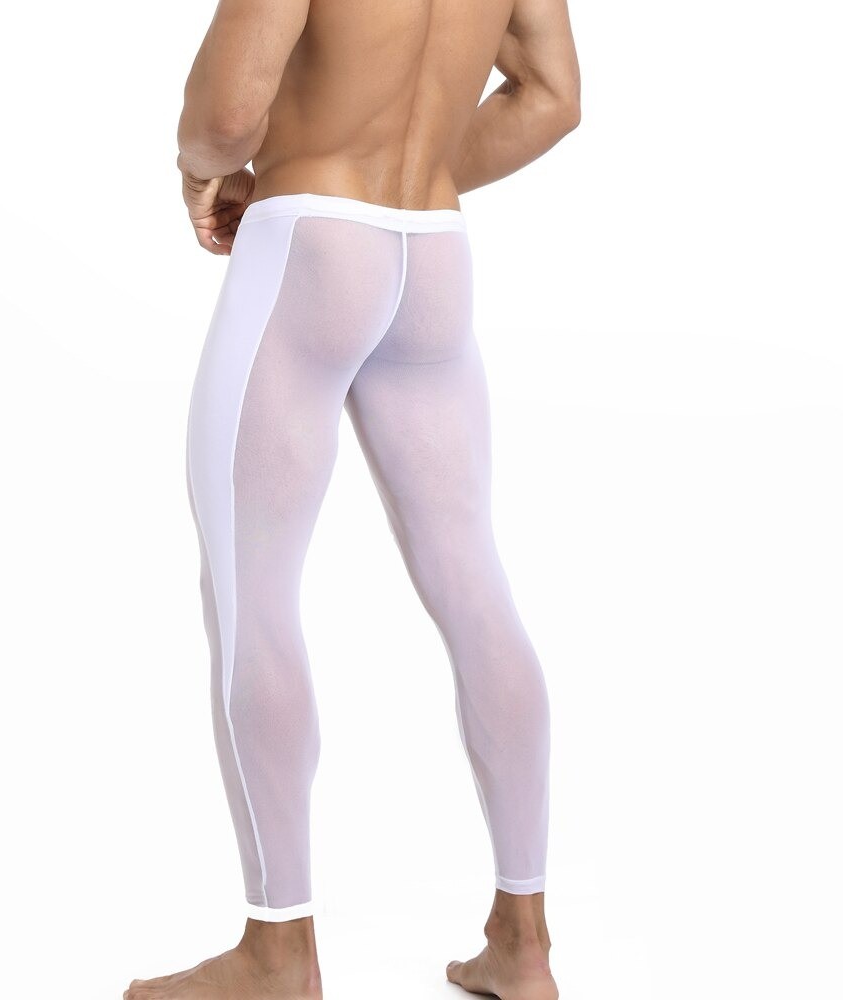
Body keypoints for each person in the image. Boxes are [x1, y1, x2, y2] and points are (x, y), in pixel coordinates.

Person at [125, 0, 580, 996]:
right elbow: (551, 97)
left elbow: (226, 114)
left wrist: (205, 174)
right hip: (433, 250)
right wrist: (411, 165)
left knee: (251, 592)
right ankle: (523, 939)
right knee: (474, 584)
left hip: (311, 245)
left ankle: (277, 951)